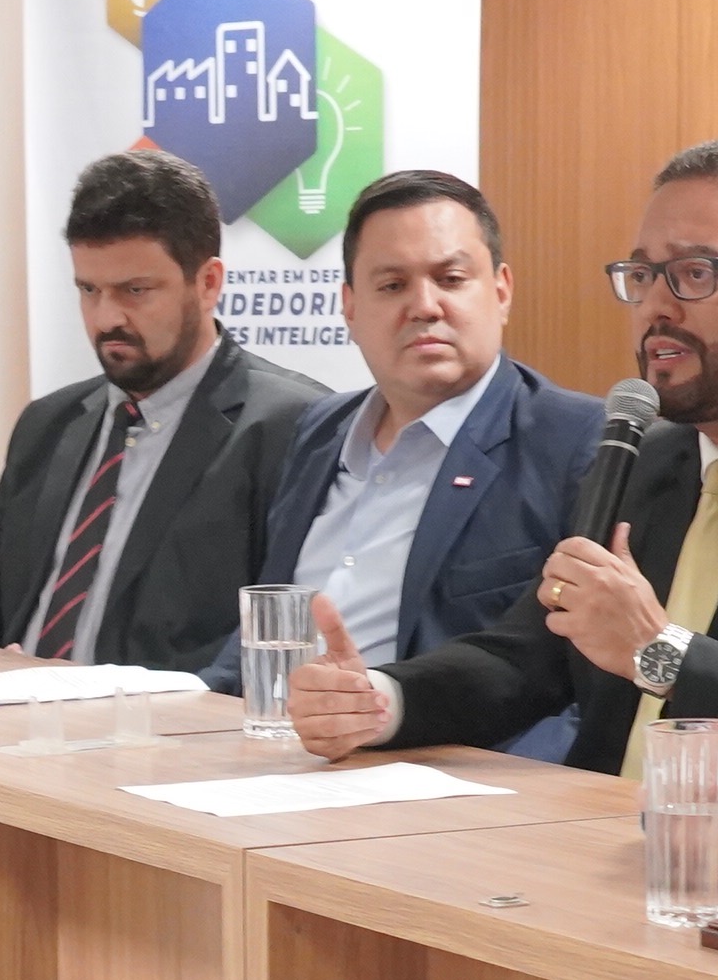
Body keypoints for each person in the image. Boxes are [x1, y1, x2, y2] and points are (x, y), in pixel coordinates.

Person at [286, 137, 718, 772]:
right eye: (642, 276)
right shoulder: (646, 455)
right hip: (596, 826)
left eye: (697, 274)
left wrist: (659, 650)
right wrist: (379, 701)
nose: (656, 307)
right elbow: (530, 655)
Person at [199, 171, 596, 714]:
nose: (425, 306)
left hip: (441, 751)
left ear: (501, 291)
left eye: (451, 279)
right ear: (350, 308)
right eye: (392, 286)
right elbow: (265, 630)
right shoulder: (317, 430)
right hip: (274, 739)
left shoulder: (574, 440)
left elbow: (558, 677)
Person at [0, 150, 330, 673]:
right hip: (10, 710)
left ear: (208, 283)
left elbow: (283, 637)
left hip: (167, 719)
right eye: (89, 290)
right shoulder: (48, 424)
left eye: (135, 291)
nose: (107, 318)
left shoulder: (294, 426)